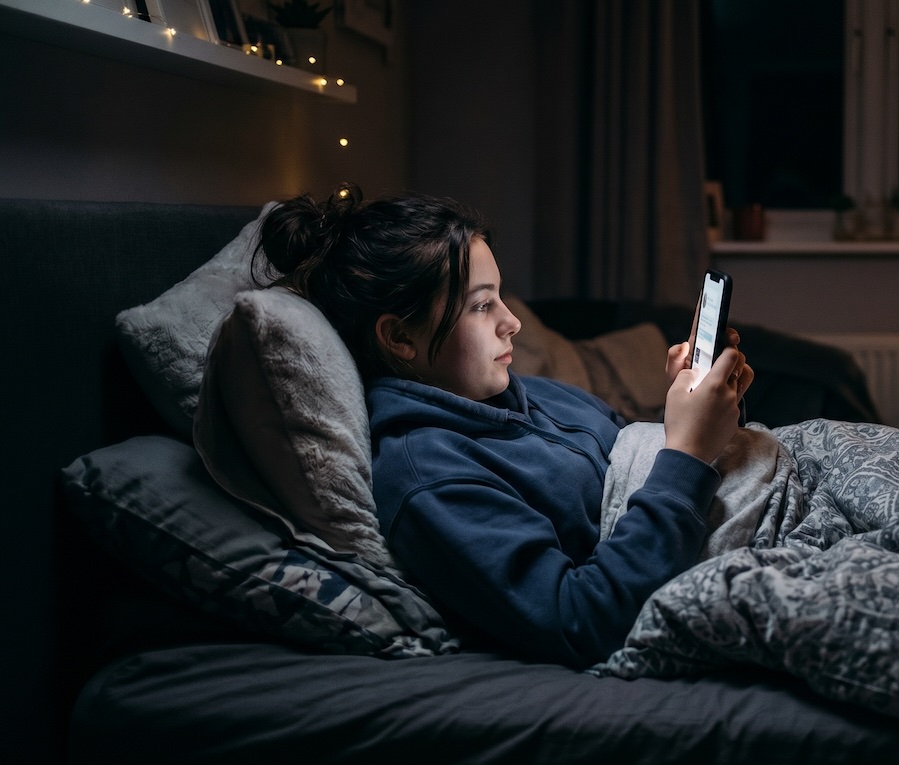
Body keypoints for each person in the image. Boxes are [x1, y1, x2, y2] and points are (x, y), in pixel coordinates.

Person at [257, 185, 754, 667]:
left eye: (499, 296)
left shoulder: (533, 393)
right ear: (401, 336)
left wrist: (704, 413)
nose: (512, 321)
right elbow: (580, 617)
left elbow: (650, 471)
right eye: (481, 305)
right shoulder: (431, 477)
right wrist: (687, 452)